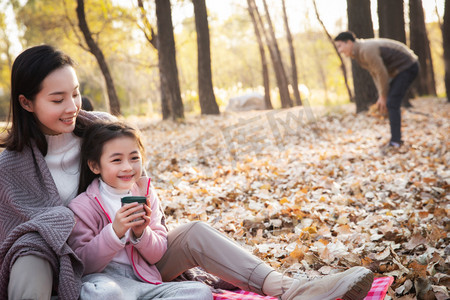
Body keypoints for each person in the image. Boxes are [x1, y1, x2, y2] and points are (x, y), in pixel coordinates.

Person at [0, 44, 374, 300]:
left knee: (195, 232)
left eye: (76, 93)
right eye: (57, 99)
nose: (72, 106)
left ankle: (288, 288)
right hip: (72, 266)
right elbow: (19, 236)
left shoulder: (100, 131)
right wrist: (107, 234)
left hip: (134, 258)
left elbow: (140, 190)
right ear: (26, 102)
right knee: (29, 252)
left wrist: (141, 227)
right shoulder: (10, 166)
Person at [67, 121, 212, 299]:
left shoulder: (146, 194)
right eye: (116, 160)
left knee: (200, 292)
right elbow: (83, 264)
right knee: (105, 293)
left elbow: (157, 254)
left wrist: (142, 233)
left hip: (144, 280)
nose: (128, 167)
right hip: (106, 281)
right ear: (95, 166)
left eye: (134, 158)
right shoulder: (82, 206)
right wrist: (114, 232)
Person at [334, 31, 419, 149]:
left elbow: (381, 73)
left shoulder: (365, 50)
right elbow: (375, 74)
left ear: (348, 43)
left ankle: (396, 141)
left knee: (392, 103)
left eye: (340, 46)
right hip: (401, 70)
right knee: (390, 102)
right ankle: (395, 139)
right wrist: (381, 95)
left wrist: (383, 96)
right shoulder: (359, 53)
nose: (339, 50)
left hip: (408, 66)